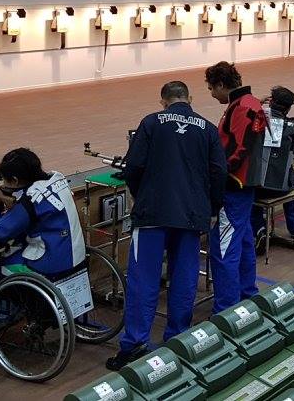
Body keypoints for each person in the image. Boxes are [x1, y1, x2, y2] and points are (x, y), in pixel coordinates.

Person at [107, 81, 227, 370]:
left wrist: (140, 196)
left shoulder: (150, 123)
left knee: (143, 281)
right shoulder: (208, 128)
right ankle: (179, 340)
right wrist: (212, 208)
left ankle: (135, 344)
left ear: (163, 101)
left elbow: (133, 168)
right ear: (190, 98)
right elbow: (219, 172)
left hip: (153, 214)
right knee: (185, 279)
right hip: (191, 215)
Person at [0, 148, 84, 337]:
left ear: (15, 180)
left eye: (6, 179)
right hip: (74, 256)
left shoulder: (30, 202)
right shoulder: (56, 179)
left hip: (48, 266)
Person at [205, 62, 264, 313]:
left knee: (224, 248)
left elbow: (239, 149)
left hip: (233, 187)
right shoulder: (248, 102)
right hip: (243, 186)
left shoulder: (241, 107)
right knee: (244, 242)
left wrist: (219, 174)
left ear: (221, 84)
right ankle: (247, 295)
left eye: (211, 88)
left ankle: (226, 310)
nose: (211, 94)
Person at [250, 86, 294, 249]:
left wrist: (258, 104)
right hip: (280, 187)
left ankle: (259, 229)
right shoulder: (293, 125)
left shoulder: (255, 119)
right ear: (289, 108)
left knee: (250, 194)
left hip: (255, 186)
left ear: (271, 101)